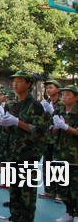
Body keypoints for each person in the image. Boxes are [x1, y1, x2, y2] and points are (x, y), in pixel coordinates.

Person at [0, 71, 45, 222]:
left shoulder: (35, 106)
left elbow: (39, 131)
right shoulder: (13, 104)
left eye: (19, 81)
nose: (15, 84)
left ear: (28, 84)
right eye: (14, 81)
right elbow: (9, 129)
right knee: (14, 192)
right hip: (12, 154)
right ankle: (15, 216)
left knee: (27, 195)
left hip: (27, 155)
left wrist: (18, 122)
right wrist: (4, 124)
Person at [52, 85, 78, 222]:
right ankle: (69, 212)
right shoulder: (59, 110)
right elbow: (52, 131)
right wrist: (55, 127)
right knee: (62, 187)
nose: (64, 97)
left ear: (76, 97)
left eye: (68, 95)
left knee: (75, 189)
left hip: (74, 156)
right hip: (59, 154)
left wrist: (66, 127)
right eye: (63, 95)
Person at [39, 79, 64, 200]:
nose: (48, 89)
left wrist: (52, 111)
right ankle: (49, 190)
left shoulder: (62, 103)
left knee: (58, 165)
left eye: (51, 87)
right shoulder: (46, 102)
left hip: (59, 139)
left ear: (58, 89)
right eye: (47, 88)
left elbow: (64, 120)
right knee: (47, 164)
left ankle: (60, 192)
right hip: (47, 138)